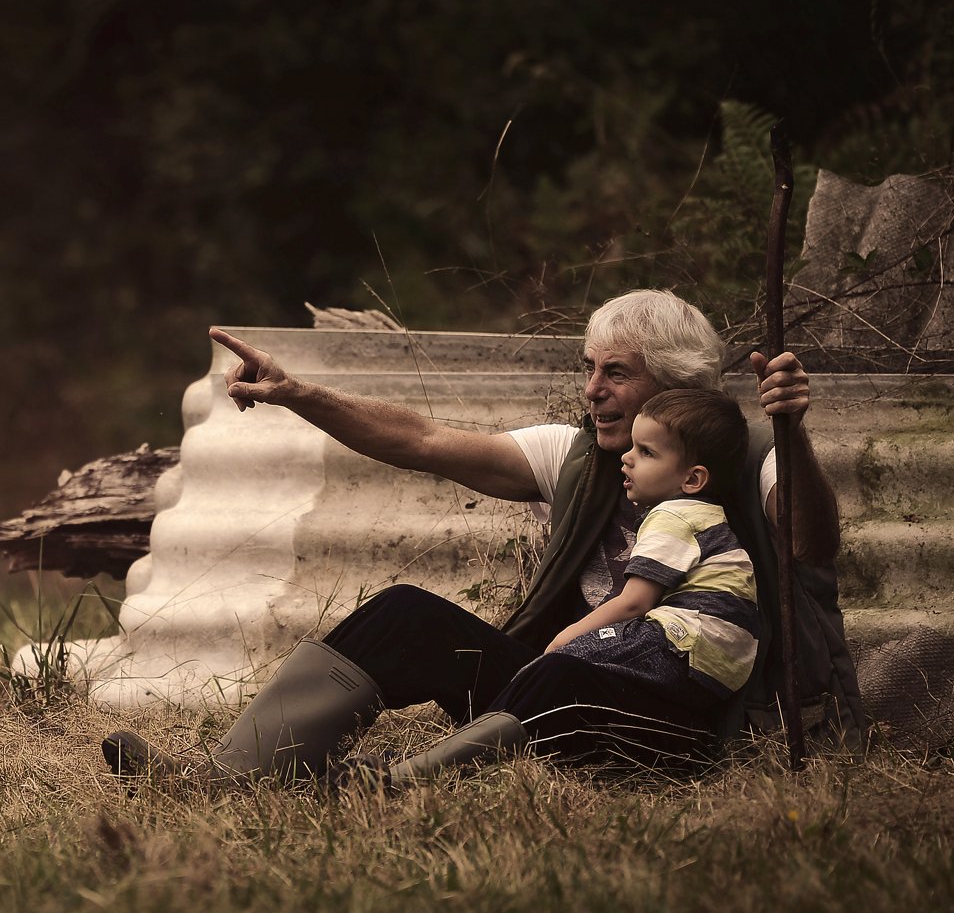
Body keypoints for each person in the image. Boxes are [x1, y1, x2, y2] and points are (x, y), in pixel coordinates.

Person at [102, 288, 863, 787]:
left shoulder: (753, 458)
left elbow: (810, 543)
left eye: (617, 373)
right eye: (589, 369)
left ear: (677, 386)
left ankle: (390, 787)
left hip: (681, 723)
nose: (592, 390)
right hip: (559, 690)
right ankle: (227, 778)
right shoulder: (576, 457)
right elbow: (421, 440)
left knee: (560, 674)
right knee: (404, 615)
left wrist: (793, 433)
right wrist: (298, 394)